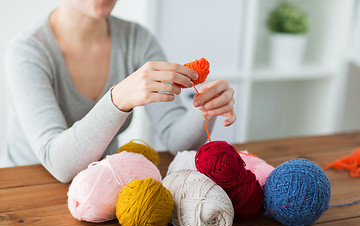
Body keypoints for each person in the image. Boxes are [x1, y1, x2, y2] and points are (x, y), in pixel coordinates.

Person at [2, 0, 236, 183]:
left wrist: (205, 108)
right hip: (29, 187)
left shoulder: (137, 40)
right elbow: (60, 164)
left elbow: (177, 140)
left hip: (104, 181)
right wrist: (118, 98)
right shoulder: (27, 51)